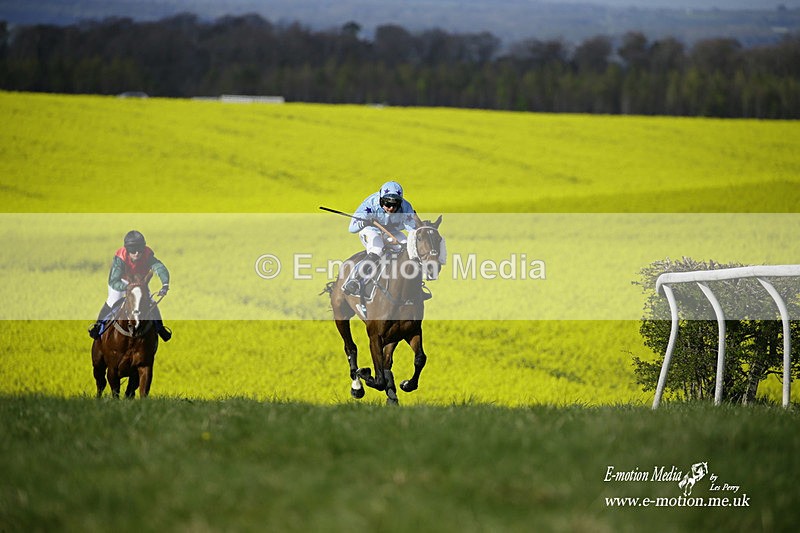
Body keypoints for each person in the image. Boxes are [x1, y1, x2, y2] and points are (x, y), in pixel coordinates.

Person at [88, 230, 172, 341]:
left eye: (140, 249)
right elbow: (114, 281)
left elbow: (160, 268)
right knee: (111, 301)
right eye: (133, 250)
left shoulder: (148, 255)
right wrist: (127, 288)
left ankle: (160, 329)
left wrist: (165, 284)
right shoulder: (120, 258)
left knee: (151, 303)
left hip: (139, 283)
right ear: (127, 250)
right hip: (122, 283)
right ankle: (98, 326)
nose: (137, 253)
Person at [342, 180, 418, 296]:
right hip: (371, 230)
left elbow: (412, 229)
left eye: (395, 205)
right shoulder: (369, 204)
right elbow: (351, 228)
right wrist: (364, 222)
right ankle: (356, 280)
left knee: (408, 248)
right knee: (378, 249)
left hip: (391, 231)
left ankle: (415, 285)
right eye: (387, 204)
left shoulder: (406, 207)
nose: (391, 208)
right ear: (381, 200)